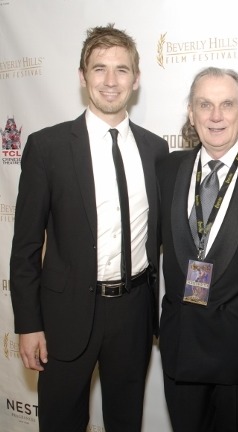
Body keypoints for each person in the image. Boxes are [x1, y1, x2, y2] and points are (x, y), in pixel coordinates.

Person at [9, 24, 168, 432]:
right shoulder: (48, 148)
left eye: (121, 70)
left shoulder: (156, 149)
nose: (110, 81)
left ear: (136, 80)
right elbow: (25, 245)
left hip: (134, 313)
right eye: (99, 69)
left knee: (125, 421)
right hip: (65, 316)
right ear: (82, 77)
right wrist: (28, 325)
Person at [156, 66, 238, 432]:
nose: (216, 116)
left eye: (227, 104)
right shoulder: (167, 168)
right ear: (191, 113)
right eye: (205, 105)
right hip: (181, 344)